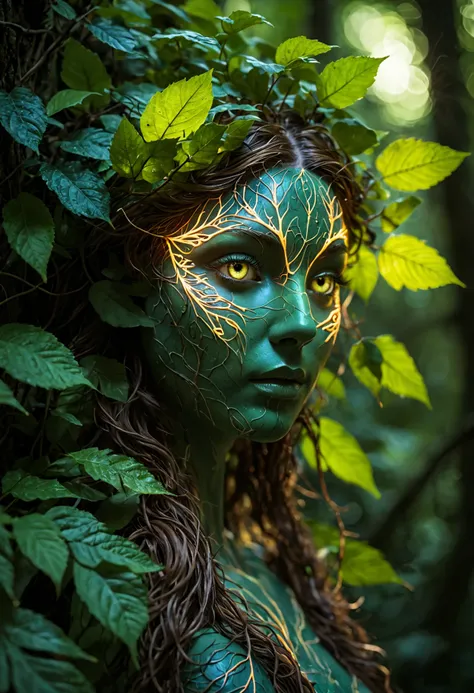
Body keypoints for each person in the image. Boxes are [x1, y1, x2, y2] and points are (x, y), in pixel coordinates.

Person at [73, 111, 391, 693]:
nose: (302, 323)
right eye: (240, 266)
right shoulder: (128, 597)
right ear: (133, 281)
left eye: (323, 281)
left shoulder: (264, 562)